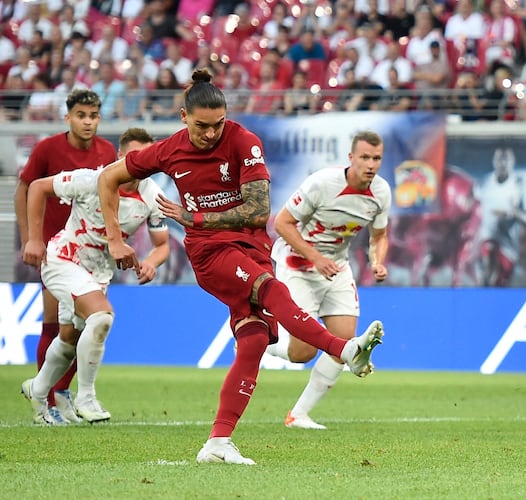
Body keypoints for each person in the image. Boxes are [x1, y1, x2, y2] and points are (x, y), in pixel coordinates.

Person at [96, 69, 384, 465]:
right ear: (184, 116)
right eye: (201, 126)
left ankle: (218, 442)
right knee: (272, 289)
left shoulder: (244, 141)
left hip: (252, 247)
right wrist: (115, 237)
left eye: (218, 124)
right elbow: (109, 178)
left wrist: (193, 217)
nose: (211, 133)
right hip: (211, 254)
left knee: (254, 341)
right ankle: (344, 350)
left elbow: (258, 210)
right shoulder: (167, 150)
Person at [20, 128, 168, 425]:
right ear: (120, 157)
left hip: (98, 272)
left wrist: (151, 262)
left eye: (146, 157)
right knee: (102, 317)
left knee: (68, 340)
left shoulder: (153, 196)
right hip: (63, 259)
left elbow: (162, 244)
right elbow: (36, 187)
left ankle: (37, 389)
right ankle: (87, 396)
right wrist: (34, 239)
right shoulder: (90, 179)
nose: (140, 163)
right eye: (133, 156)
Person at [267, 131, 391, 430]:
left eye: (376, 158)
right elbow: (282, 223)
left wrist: (377, 261)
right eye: (364, 157)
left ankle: (298, 415)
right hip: (297, 265)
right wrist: (315, 257)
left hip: (335, 267)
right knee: (302, 353)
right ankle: (260, 342)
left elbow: (380, 236)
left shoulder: (381, 193)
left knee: (345, 344)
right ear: (351, 158)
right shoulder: (322, 184)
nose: (370, 164)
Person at [14, 89, 118, 424]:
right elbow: (26, 189)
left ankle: (60, 392)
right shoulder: (48, 149)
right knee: (55, 323)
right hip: (56, 251)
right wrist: (31, 238)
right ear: (68, 118)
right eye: (81, 116)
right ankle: (47, 402)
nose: (87, 122)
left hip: (91, 253)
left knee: (79, 327)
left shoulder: (106, 151)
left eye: (93, 116)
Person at [477, 147, 526, 286]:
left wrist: (514, 213)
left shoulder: (519, 185)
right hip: (485, 242)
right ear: (494, 161)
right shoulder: (484, 183)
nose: (502, 163)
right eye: (499, 159)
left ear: (512, 162)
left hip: (508, 247)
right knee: (487, 264)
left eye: (506, 159)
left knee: (500, 283)